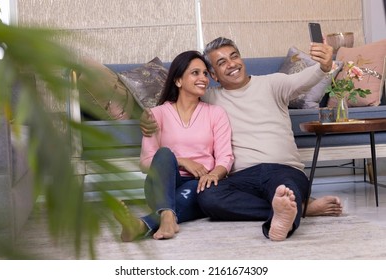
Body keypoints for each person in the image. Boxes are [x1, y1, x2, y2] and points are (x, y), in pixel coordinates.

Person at [140, 37, 342, 241]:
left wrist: (324, 66)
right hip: (242, 177)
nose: (231, 64)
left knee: (285, 188)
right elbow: (178, 98)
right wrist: (145, 117)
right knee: (208, 197)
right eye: (221, 63)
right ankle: (301, 207)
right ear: (214, 76)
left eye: (234, 56)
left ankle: (281, 223)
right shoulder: (209, 97)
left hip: (283, 169)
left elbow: (306, 78)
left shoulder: (274, 83)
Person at [114, 50, 234, 241]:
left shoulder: (216, 114)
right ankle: (167, 214)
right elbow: (146, 162)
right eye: (195, 73)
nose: (203, 78)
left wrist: (212, 175)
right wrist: (182, 161)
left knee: (197, 189)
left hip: (199, 186)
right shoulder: (156, 114)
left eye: (204, 73)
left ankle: (147, 223)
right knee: (164, 154)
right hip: (161, 186)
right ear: (178, 81)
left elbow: (225, 157)